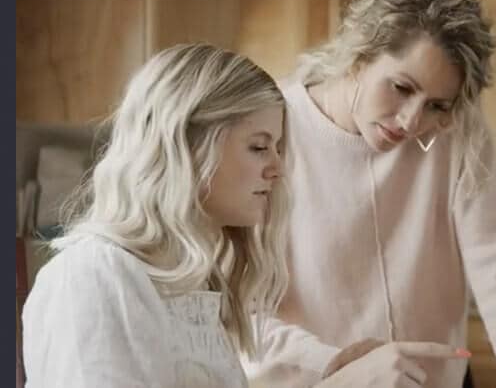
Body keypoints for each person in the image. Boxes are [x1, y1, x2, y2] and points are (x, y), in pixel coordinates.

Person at [21, 43, 469, 388]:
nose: (277, 167)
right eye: (258, 147)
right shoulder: (94, 276)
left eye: (278, 148)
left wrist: (334, 369)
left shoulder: (193, 286)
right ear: (188, 145)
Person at [244, 0, 496, 387]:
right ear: (359, 57)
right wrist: (342, 365)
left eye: (436, 104)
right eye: (402, 87)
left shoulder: (456, 131)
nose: (412, 121)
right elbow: (241, 315)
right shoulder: (273, 130)